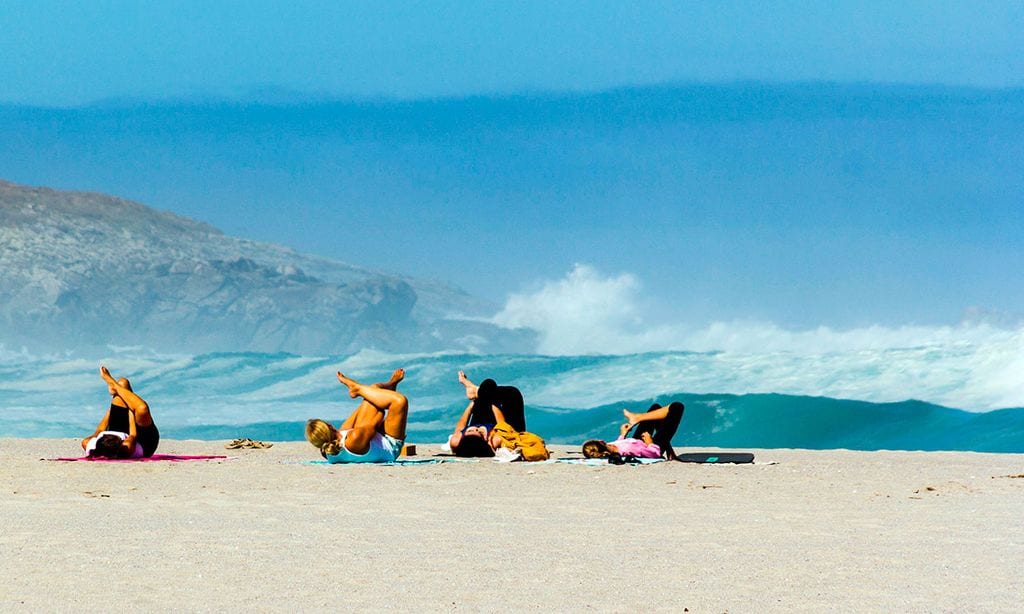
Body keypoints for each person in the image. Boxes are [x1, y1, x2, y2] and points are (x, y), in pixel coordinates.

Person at [305, 369, 409, 464]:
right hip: (389, 444)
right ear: (329, 425)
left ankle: (361, 388)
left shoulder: (328, 452)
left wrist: (368, 396)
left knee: (372, 391)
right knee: (399, 401)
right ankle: (366, 388)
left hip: (369, 438)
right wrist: (370, 397)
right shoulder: (354, 439)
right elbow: (379, 415)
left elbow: (363, 411)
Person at [81, 366, 159, 458]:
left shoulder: (91, 444)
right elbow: (133, 435)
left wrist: (111, 410)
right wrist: (131, 410)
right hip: (144, 441)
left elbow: (99, 431)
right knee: (142, 408)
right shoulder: (127, 447)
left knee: (123, 382)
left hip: (114, 436)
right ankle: (112, 383)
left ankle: (115, 388)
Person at [449, 371, 527, 457]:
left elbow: (460, 427)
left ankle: (476, 391)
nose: (476, 428)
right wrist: (493, 404)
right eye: (479, 432)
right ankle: (476, 391)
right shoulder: (494, 440)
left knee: (488, 384)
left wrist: (470, 407)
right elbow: (503, 426)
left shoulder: (456, 441)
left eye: (470, 430)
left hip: (485, 421)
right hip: (507, 429)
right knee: (513, 393)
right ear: (484, 439)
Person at [582, 402, 685, 461]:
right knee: (677, 407)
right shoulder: (628, 449)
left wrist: (623, 434)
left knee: (655, 408)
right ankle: (638, 417)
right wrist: (649, 442)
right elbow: (655, 454)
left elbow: (619, 445)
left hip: (637, 441)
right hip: (652, 446)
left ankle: (670, 452)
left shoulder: (610, 447)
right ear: (601, 442)